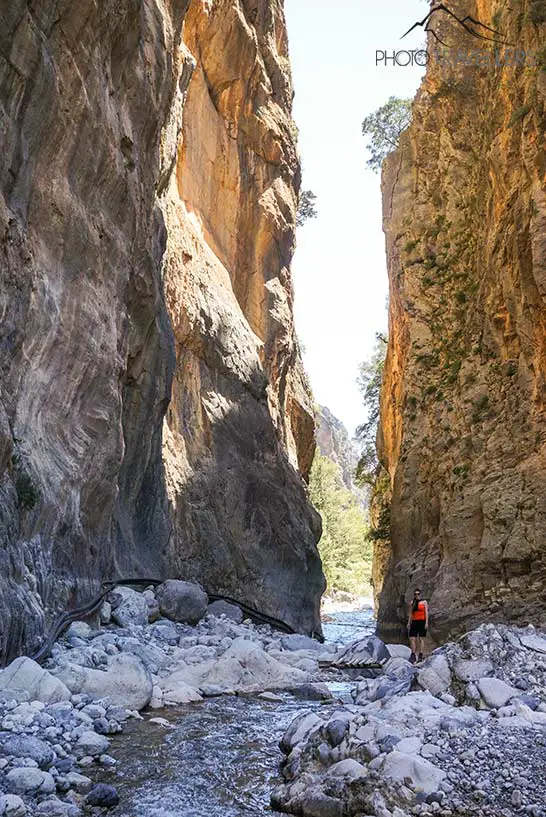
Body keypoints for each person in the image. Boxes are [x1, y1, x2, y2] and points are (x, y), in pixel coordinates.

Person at [407, 588, 428, 663]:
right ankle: (413, 654)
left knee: (421, 639)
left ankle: (420, 654)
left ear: (420, 594)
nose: (417, 595)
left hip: (422, 621)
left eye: (418, 594)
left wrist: (426, 623)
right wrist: (409, 622)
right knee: (412, 638)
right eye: (415, 594)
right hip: (414, 622)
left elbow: (426, 613)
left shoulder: (424, 602)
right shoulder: (412, 602)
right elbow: (411, 614)